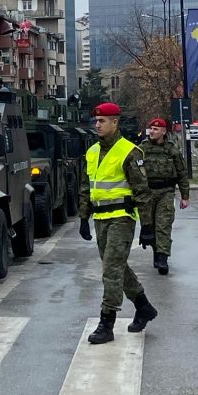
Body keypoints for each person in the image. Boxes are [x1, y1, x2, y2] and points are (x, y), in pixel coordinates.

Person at [78, 101, 157, 345]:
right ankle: (143, 306)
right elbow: (86, 187)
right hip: (100, 218)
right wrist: (83, 217)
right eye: (96, 121)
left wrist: (147, 226)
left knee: (111, 269)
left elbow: (142, 191)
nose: (97, 125)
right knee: (117, 267)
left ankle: (107, 322)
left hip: (122, 217)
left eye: (102, 121)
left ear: (115, 122)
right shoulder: (92, 152)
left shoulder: (129, 152)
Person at [140, 118, 189, 276]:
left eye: (156, 129)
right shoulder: (142, 148)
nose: (152, 131)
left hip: (166, 192)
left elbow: (182, 173)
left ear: (163, 131)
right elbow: (134, 171)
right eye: (151, 128)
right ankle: (156, 253)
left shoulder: (171, 149)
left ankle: (163, 258)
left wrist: (185, 196)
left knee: (163, 226)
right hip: (148, 193)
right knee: (150, 227)